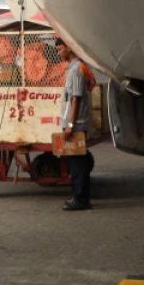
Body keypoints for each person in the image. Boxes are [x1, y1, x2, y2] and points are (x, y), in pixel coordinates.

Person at [55, 37, 92, 211]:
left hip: (76, 125)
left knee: (77, 164)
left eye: (60, 49)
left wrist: (70, 125)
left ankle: (81, 199)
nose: (58, 52)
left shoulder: (76, 70)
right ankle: (78, 195)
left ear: (69, 48)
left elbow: (76, 99)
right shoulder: (73, 69)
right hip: (74, 124)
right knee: (76, 163)